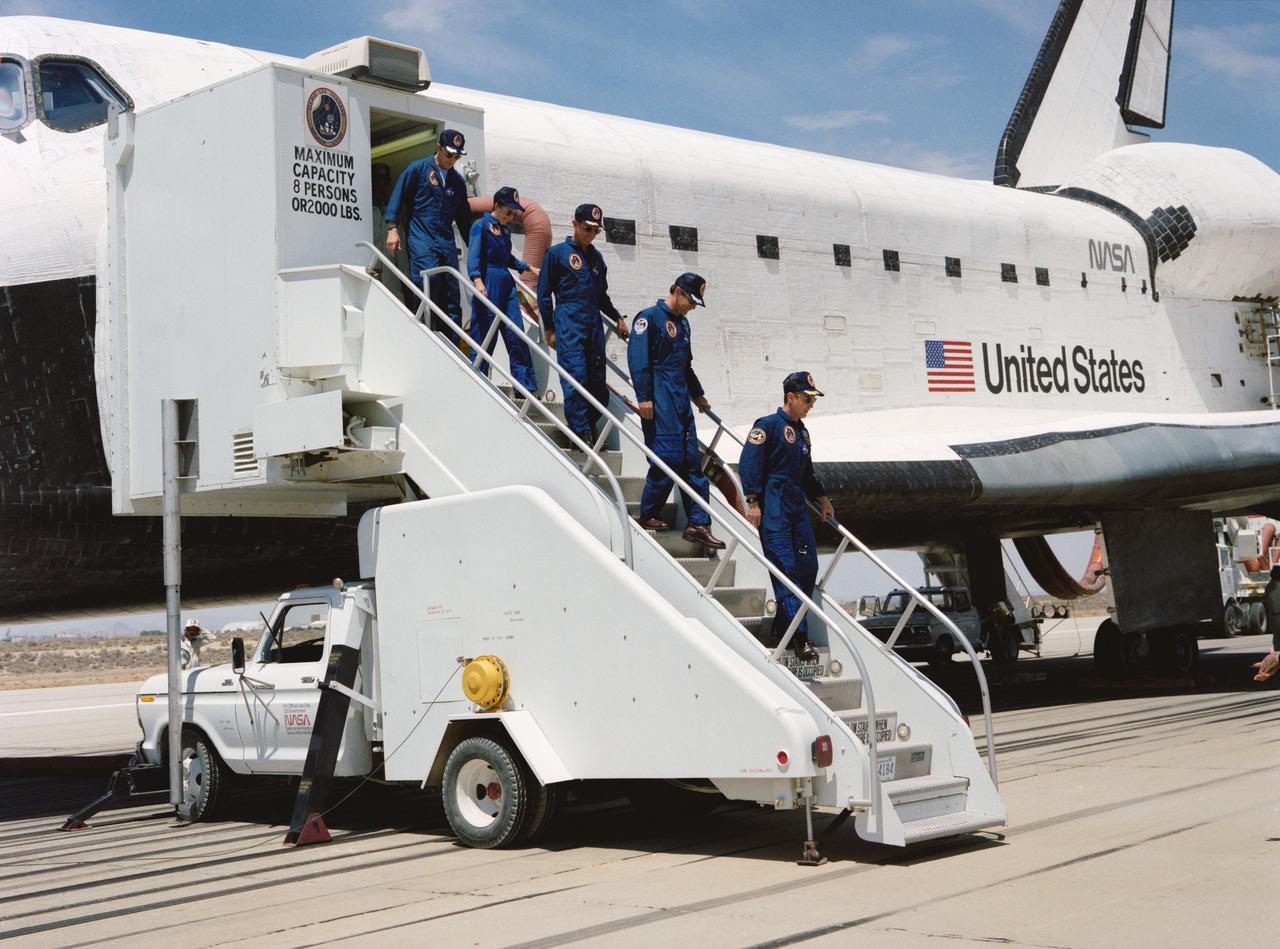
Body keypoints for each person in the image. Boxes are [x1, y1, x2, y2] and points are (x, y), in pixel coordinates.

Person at [738, 372, 837, 662]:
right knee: (786, 570)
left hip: (797, 508)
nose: (810, 405)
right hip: (775, 510)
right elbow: (749, 463)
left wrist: (821, 497)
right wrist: (753, 500)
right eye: (807, 400)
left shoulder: (803, 433)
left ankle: (783, 627)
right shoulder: (766, 426)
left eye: (813, 401)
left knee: (808, 569)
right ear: (790, 397)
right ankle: (800, 638)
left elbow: (807, 472)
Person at [627, 272, 724, 549]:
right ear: (679, 292)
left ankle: (698, 524)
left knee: (693, 465)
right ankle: (648, 513)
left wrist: (698, 395)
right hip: (659, 396)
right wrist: (644, 397)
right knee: (666, 458)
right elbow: (638, 360)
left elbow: (685, 366)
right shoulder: (649, 318)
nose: (693, 307)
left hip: (680, 398)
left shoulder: (684, 326)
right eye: (691, 301)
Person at [537, 203, 628, 443]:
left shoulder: (597, 259)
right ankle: (580, 430)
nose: (591, 234)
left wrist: (617, 317)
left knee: (597, 382)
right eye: (587, 228)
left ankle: (587, 423)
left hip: (594, 323)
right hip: (569, 320)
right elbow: (545, 295)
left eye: (596, 231)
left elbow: (602, 296)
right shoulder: (557, 254)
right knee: (575, 376)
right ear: (575, 224)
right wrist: (549, 328)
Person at [385, 129, 472, 344]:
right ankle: (422, 336)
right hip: (422, 237)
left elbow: (465, 223)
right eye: (449, 154)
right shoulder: (417, 169)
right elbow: (398, 195)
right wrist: (392, 227)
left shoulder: (458, 183)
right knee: (428, 282)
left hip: (446, 241)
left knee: (452, 291)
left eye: (457, 156)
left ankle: (451, 344)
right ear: (439, 148)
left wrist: (479, 253)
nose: (453, 160)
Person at [467, 186, 538, 393]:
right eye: (508, 212)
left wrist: (526, 267)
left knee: (516, 333)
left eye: (514, 214)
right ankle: (477, 381)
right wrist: (477, 280)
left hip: (506, 282)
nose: (510, 217)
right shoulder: (480, 226)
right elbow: (474, 255)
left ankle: (525, 388)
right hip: (488, 280)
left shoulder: (504, 230)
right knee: (485, 334)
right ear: (496, 206)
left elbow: (507, 259)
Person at [1253, 566, 1280, 681]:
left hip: (1275, 619)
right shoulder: (1276, 586)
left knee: (1277, 641)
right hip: (1277, 617)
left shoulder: (1270, 586)